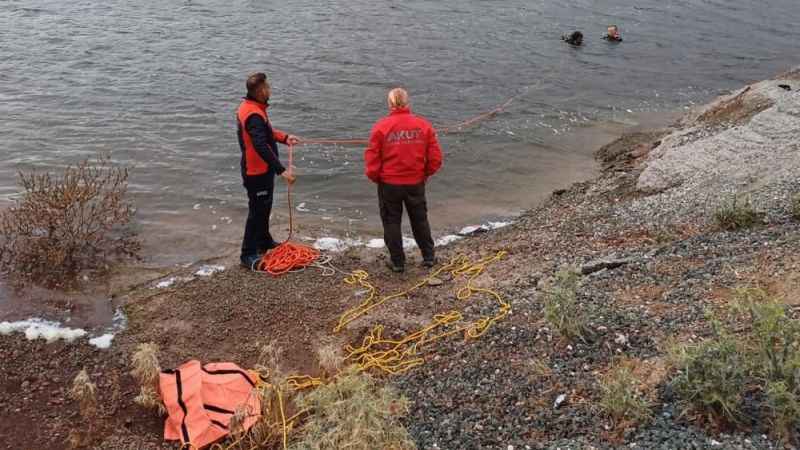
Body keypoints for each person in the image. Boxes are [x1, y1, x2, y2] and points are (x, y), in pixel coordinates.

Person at [364, 88, 443, 273]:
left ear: (390, 104)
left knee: (391, 221)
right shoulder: (423, 125)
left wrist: (376, 178)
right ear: (408, 103)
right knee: (420, 219)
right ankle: (429, 257)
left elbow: (372, 159)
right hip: (415, 182)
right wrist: (424, 174)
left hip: (389, 184)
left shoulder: (381, 127)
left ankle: (398, 262)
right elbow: (435, 158)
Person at [236, 72, 300, 269]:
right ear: (261, 91)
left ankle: (264, 241)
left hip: (261, 170)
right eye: (268, 87)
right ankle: (247, 254)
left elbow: (266, 133)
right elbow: (260, 145)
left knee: (264, 207)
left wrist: (284, 137)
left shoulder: (253, 108)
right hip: (256, 172)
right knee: (257, 211)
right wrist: (282, 171)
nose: (270, 90)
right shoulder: (253, 113)